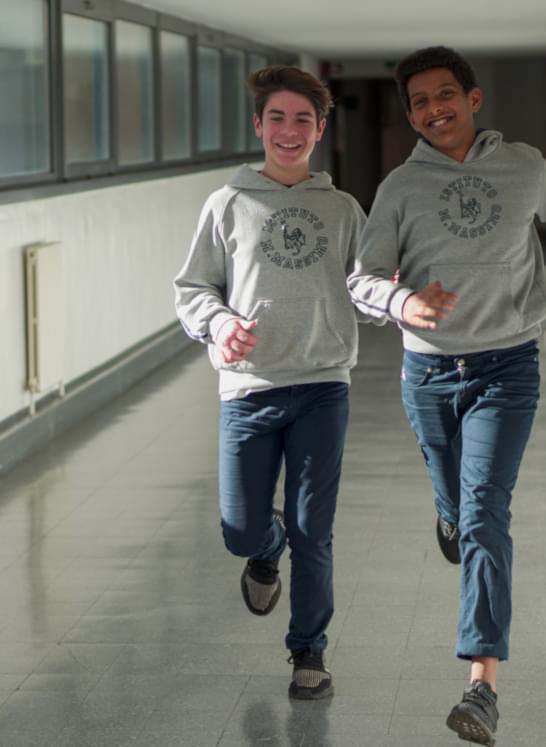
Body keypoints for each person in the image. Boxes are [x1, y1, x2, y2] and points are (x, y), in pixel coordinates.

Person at [347, 46, 546, 745]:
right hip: (427, 375)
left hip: (507, 366)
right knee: (459, 510)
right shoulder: (400, 187)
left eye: (444, 95)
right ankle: (448, 515)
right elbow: (363, 279)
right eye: (418, 103)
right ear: (409, 115)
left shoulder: (523, 165)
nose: (433, 110)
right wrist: (404, 302)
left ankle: (480, 684)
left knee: (486, 516)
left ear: (472, 99)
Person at [174, 65, 366, 700]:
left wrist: (402, 298)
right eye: (277, 118)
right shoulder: (227, 203)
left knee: (318, 530)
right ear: (259, 126)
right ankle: (266, 542)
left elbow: (365, 286)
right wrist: (219, 322)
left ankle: (308, 651)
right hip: (248, 388)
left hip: (321, 385)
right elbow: (193, 289)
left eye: (303, 120)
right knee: (238, 529)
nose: (289, 131)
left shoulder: (342, 208)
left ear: (320, 128)